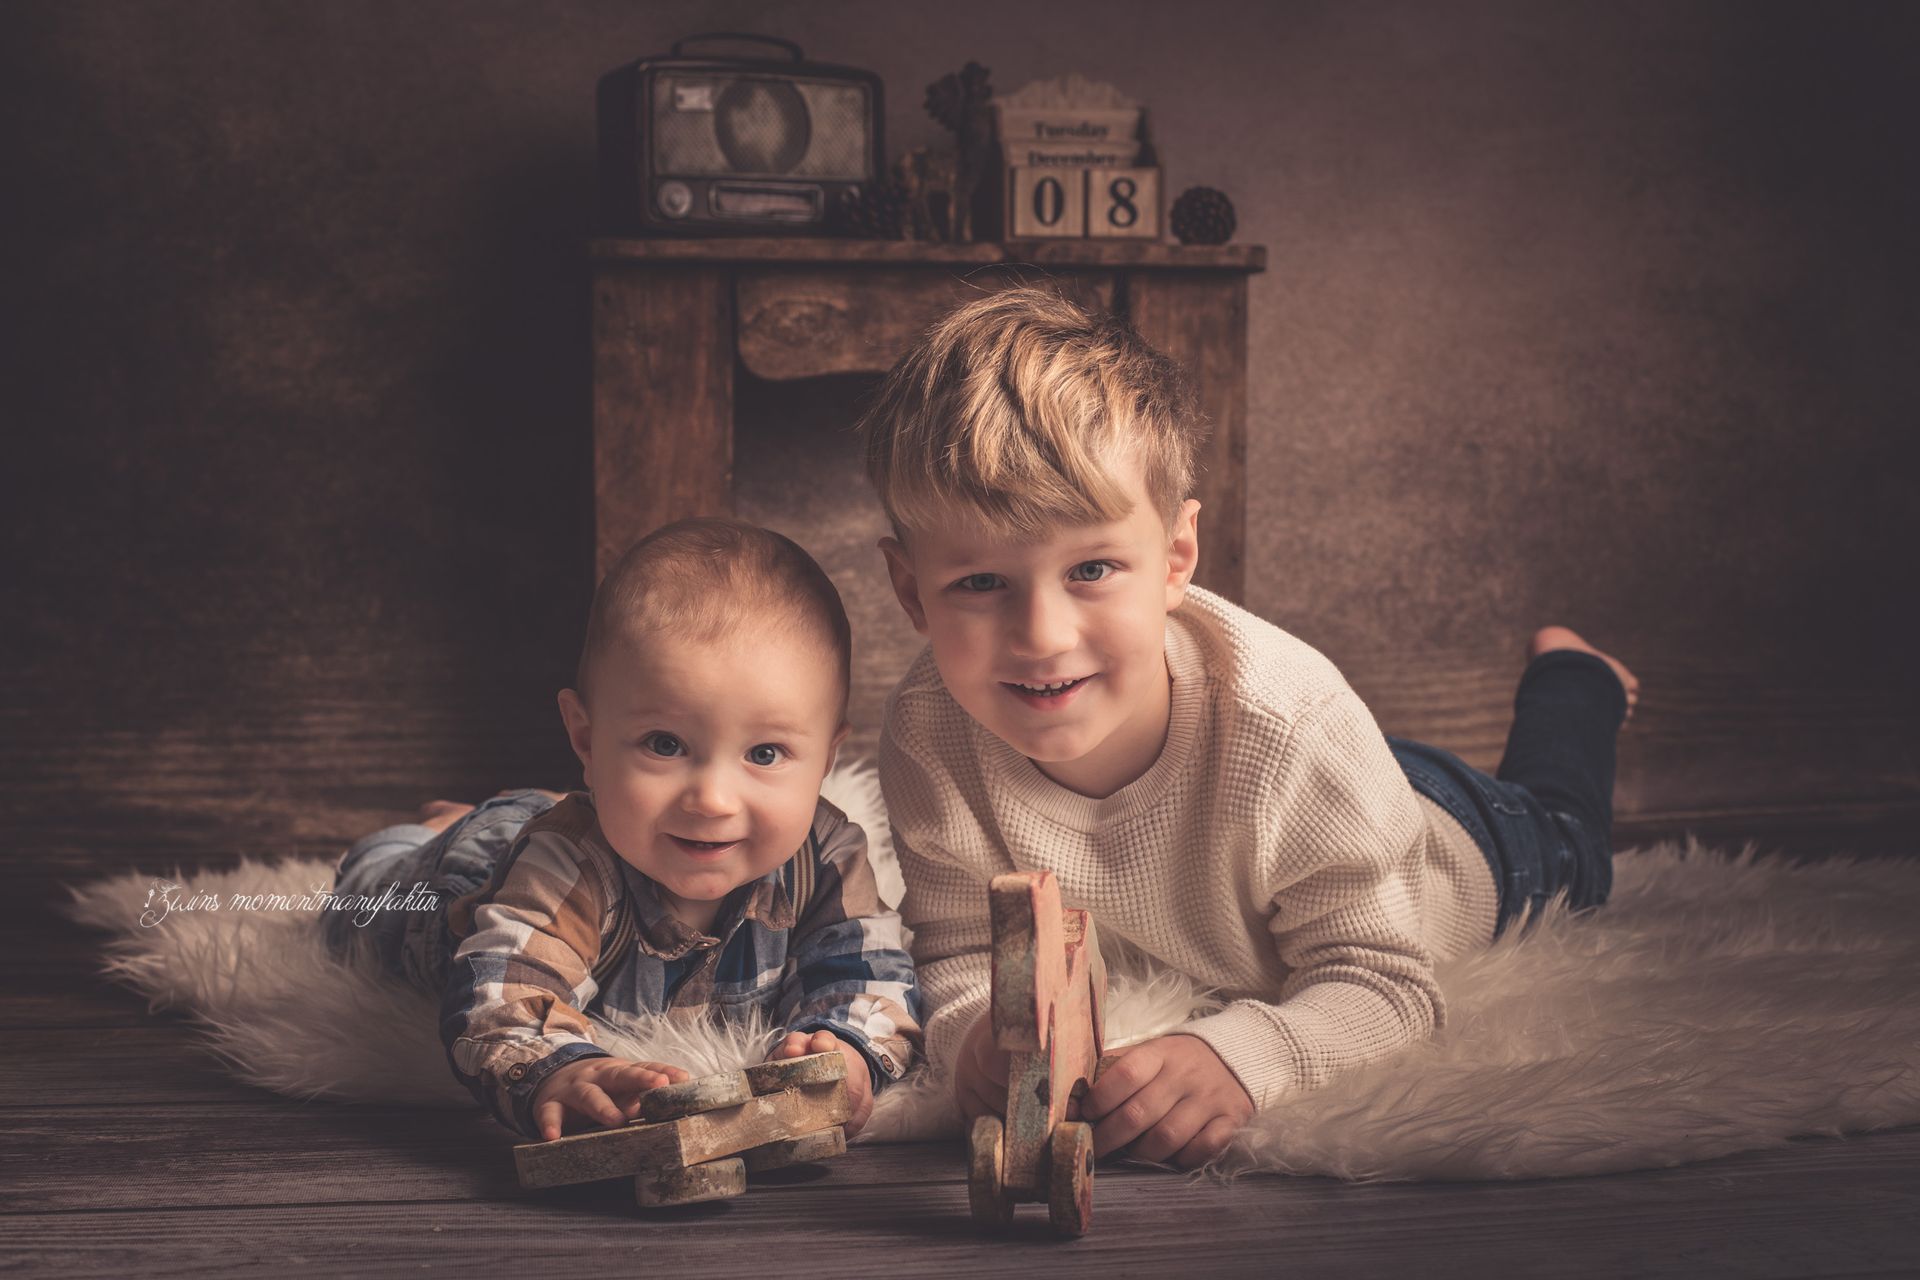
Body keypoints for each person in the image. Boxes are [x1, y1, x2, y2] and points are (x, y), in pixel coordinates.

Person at [861, 287, 1637, 1170]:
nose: (1041, 636)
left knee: (1571, 831)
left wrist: (1243, 1054)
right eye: (980, 583)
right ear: (910, 591)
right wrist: (976, 1040)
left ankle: (1576, 678)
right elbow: (961, 950)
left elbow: (1386, 983)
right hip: (1290, 811)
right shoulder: (929, 730)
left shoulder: (1294, 723)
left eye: (1092, 569)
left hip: (1455, 841)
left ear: (1176, 559)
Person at [325, 518, 921, 1143]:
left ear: (826, 759)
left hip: (570, 816)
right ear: (585, 738)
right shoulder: (565, 866)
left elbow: (871, 970)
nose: (712, 800)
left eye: (765, 754)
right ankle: (438, 831)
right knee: (366, 902)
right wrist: (559, 1071)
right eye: (665, 745)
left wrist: (844, 1046)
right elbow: (501, 991)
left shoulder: (824, 856)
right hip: (465, 878)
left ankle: (520, 808)